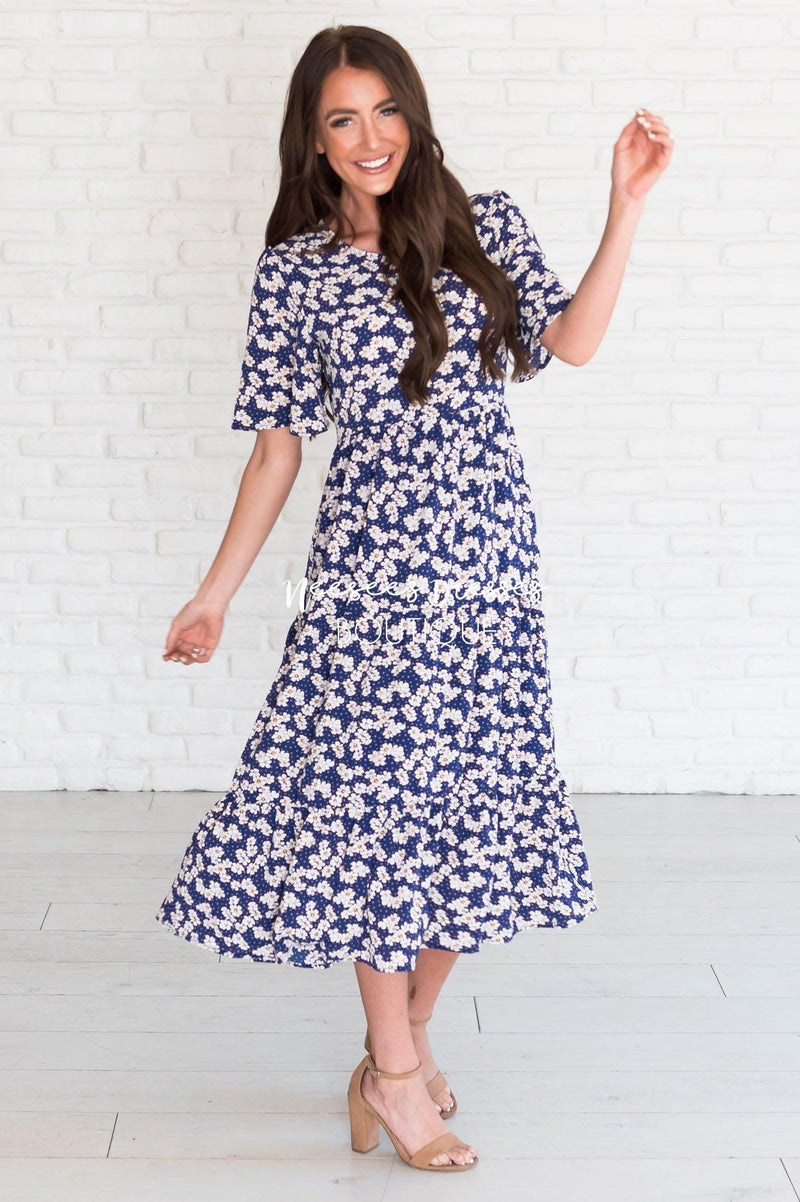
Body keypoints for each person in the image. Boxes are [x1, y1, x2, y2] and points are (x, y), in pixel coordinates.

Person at [155, 24, 672, 1174]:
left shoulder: (479, 222)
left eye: (384, 109)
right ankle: (394, 1072)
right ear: (313, 139)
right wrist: (213, 594)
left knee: (470, 806)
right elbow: (277, 448)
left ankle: (402, 1040)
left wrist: (623, 205)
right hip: (371, 576)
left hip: (487, 569)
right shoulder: (296, 270)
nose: (369, 137)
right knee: (375, 812)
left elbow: (570, 342)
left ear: (414, 113)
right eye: (341, 119)